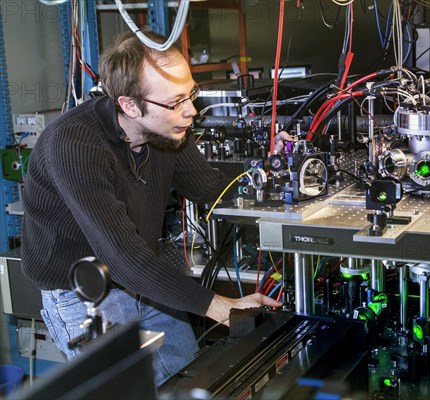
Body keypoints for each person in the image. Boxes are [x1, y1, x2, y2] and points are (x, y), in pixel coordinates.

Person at [21, 30, 281, 387]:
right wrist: (218, 306)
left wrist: (276, 177)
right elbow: (122, 258)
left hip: (143, 277)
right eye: (176, 102)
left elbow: (209, 188)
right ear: (129, 104)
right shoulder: (74, 144)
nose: (190, 111)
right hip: (86, 292)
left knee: (188, 382)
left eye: (191, 94)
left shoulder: (166, 130)